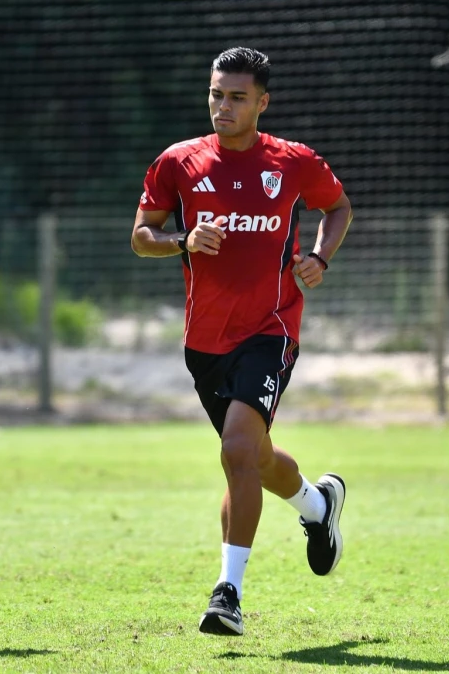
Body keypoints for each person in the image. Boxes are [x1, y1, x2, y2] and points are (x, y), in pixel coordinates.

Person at [132, 47, 353, 636]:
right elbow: (141, 237)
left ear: (262, 102)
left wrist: (319, 258)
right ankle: (316, 504)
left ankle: (228, 593)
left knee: (235, 450)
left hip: (271, 330)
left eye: (236, 97)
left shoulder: (293, 161)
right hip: (205, 343)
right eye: (216, 94)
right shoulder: (178, 163)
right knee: (253, 458)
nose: (222, 106)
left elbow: (338, 207)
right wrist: (182, 240)